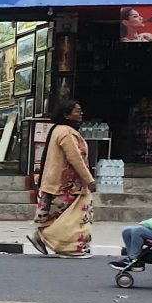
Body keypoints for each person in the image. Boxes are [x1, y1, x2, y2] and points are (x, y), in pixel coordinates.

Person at [28, 100, 96, 258]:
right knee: (72, 220)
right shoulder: (66, 132)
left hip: (58, 182)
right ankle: (69, 248)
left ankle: (41, 237)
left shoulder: (59, 130)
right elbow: (75, 158)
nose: (81, 114)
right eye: (77, 111)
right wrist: (89, 180)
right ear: (66, 114)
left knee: (61, 218)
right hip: (67, 185)